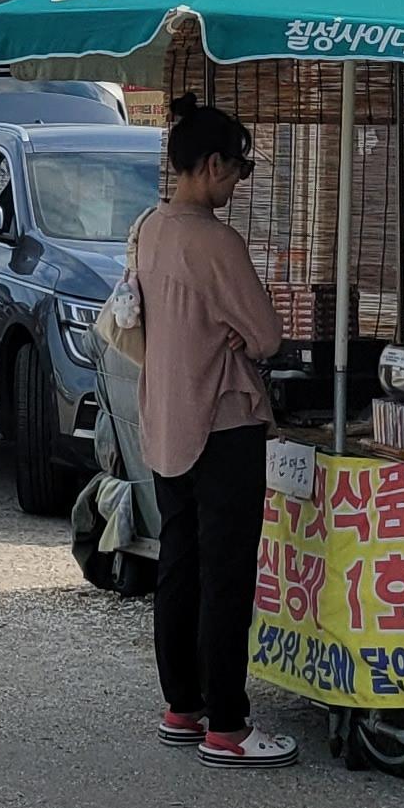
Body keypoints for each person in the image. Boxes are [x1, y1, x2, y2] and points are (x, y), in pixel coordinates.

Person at [134, 102, 295, 765]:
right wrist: (238, 332)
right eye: (235, 171)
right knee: (226, 575)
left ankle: (183, 705)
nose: (235, 185)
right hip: (222, 421)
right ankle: (228, 724)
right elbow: (268, 335)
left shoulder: (148, 228)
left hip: (164, 416)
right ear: (210, 165)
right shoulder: (216, 241)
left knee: (178, 565)